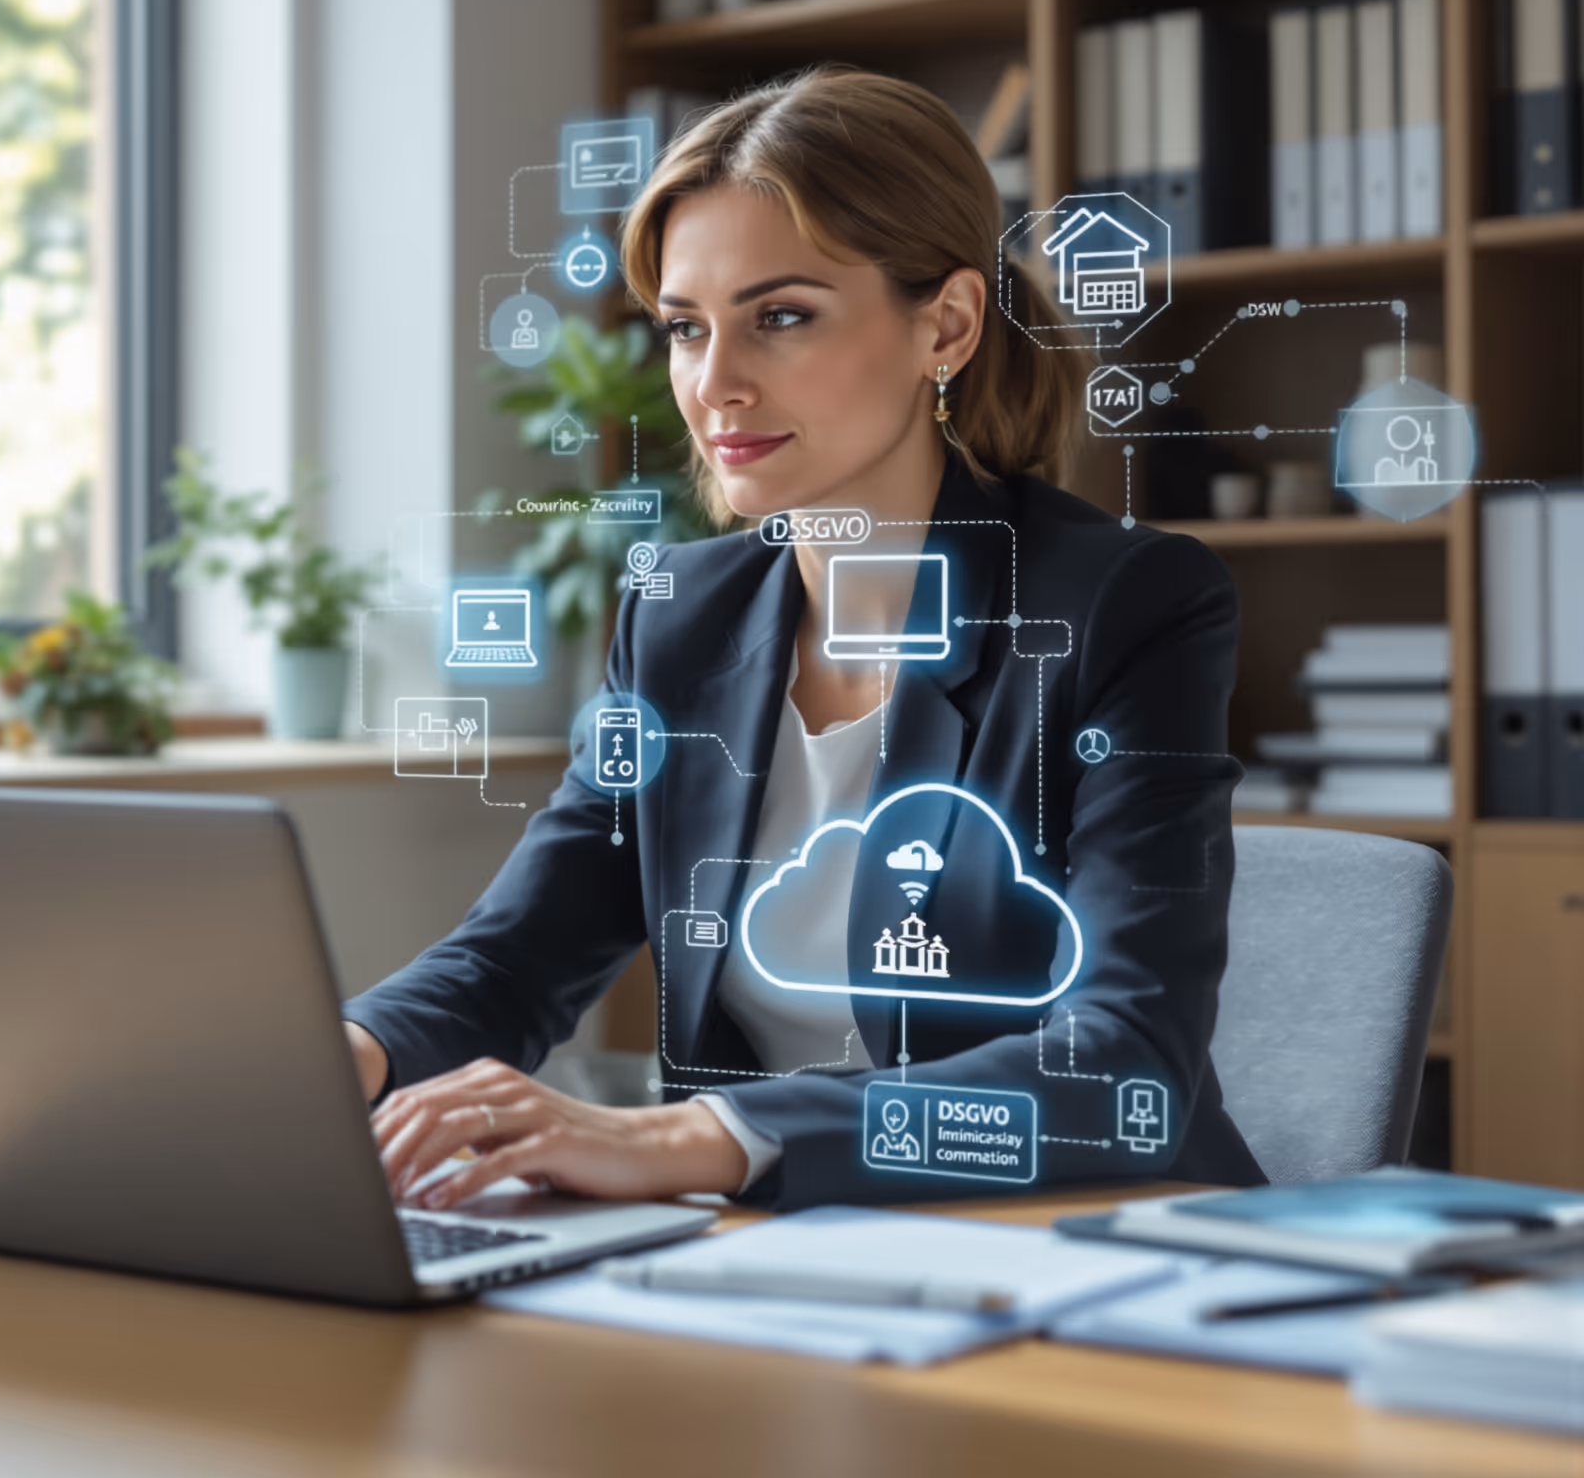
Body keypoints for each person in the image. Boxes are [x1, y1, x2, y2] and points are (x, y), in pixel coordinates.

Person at [344, 66, 1268, 1211]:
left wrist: (702, 1134)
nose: (714, 383)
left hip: (1085, 1239)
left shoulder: (1125, 604)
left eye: (780, 317)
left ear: (946, 324)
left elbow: (1124, 1066)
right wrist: (340, 1056)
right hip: (776, 1251)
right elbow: (517, 952)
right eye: (686, 328)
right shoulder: (679, 616)